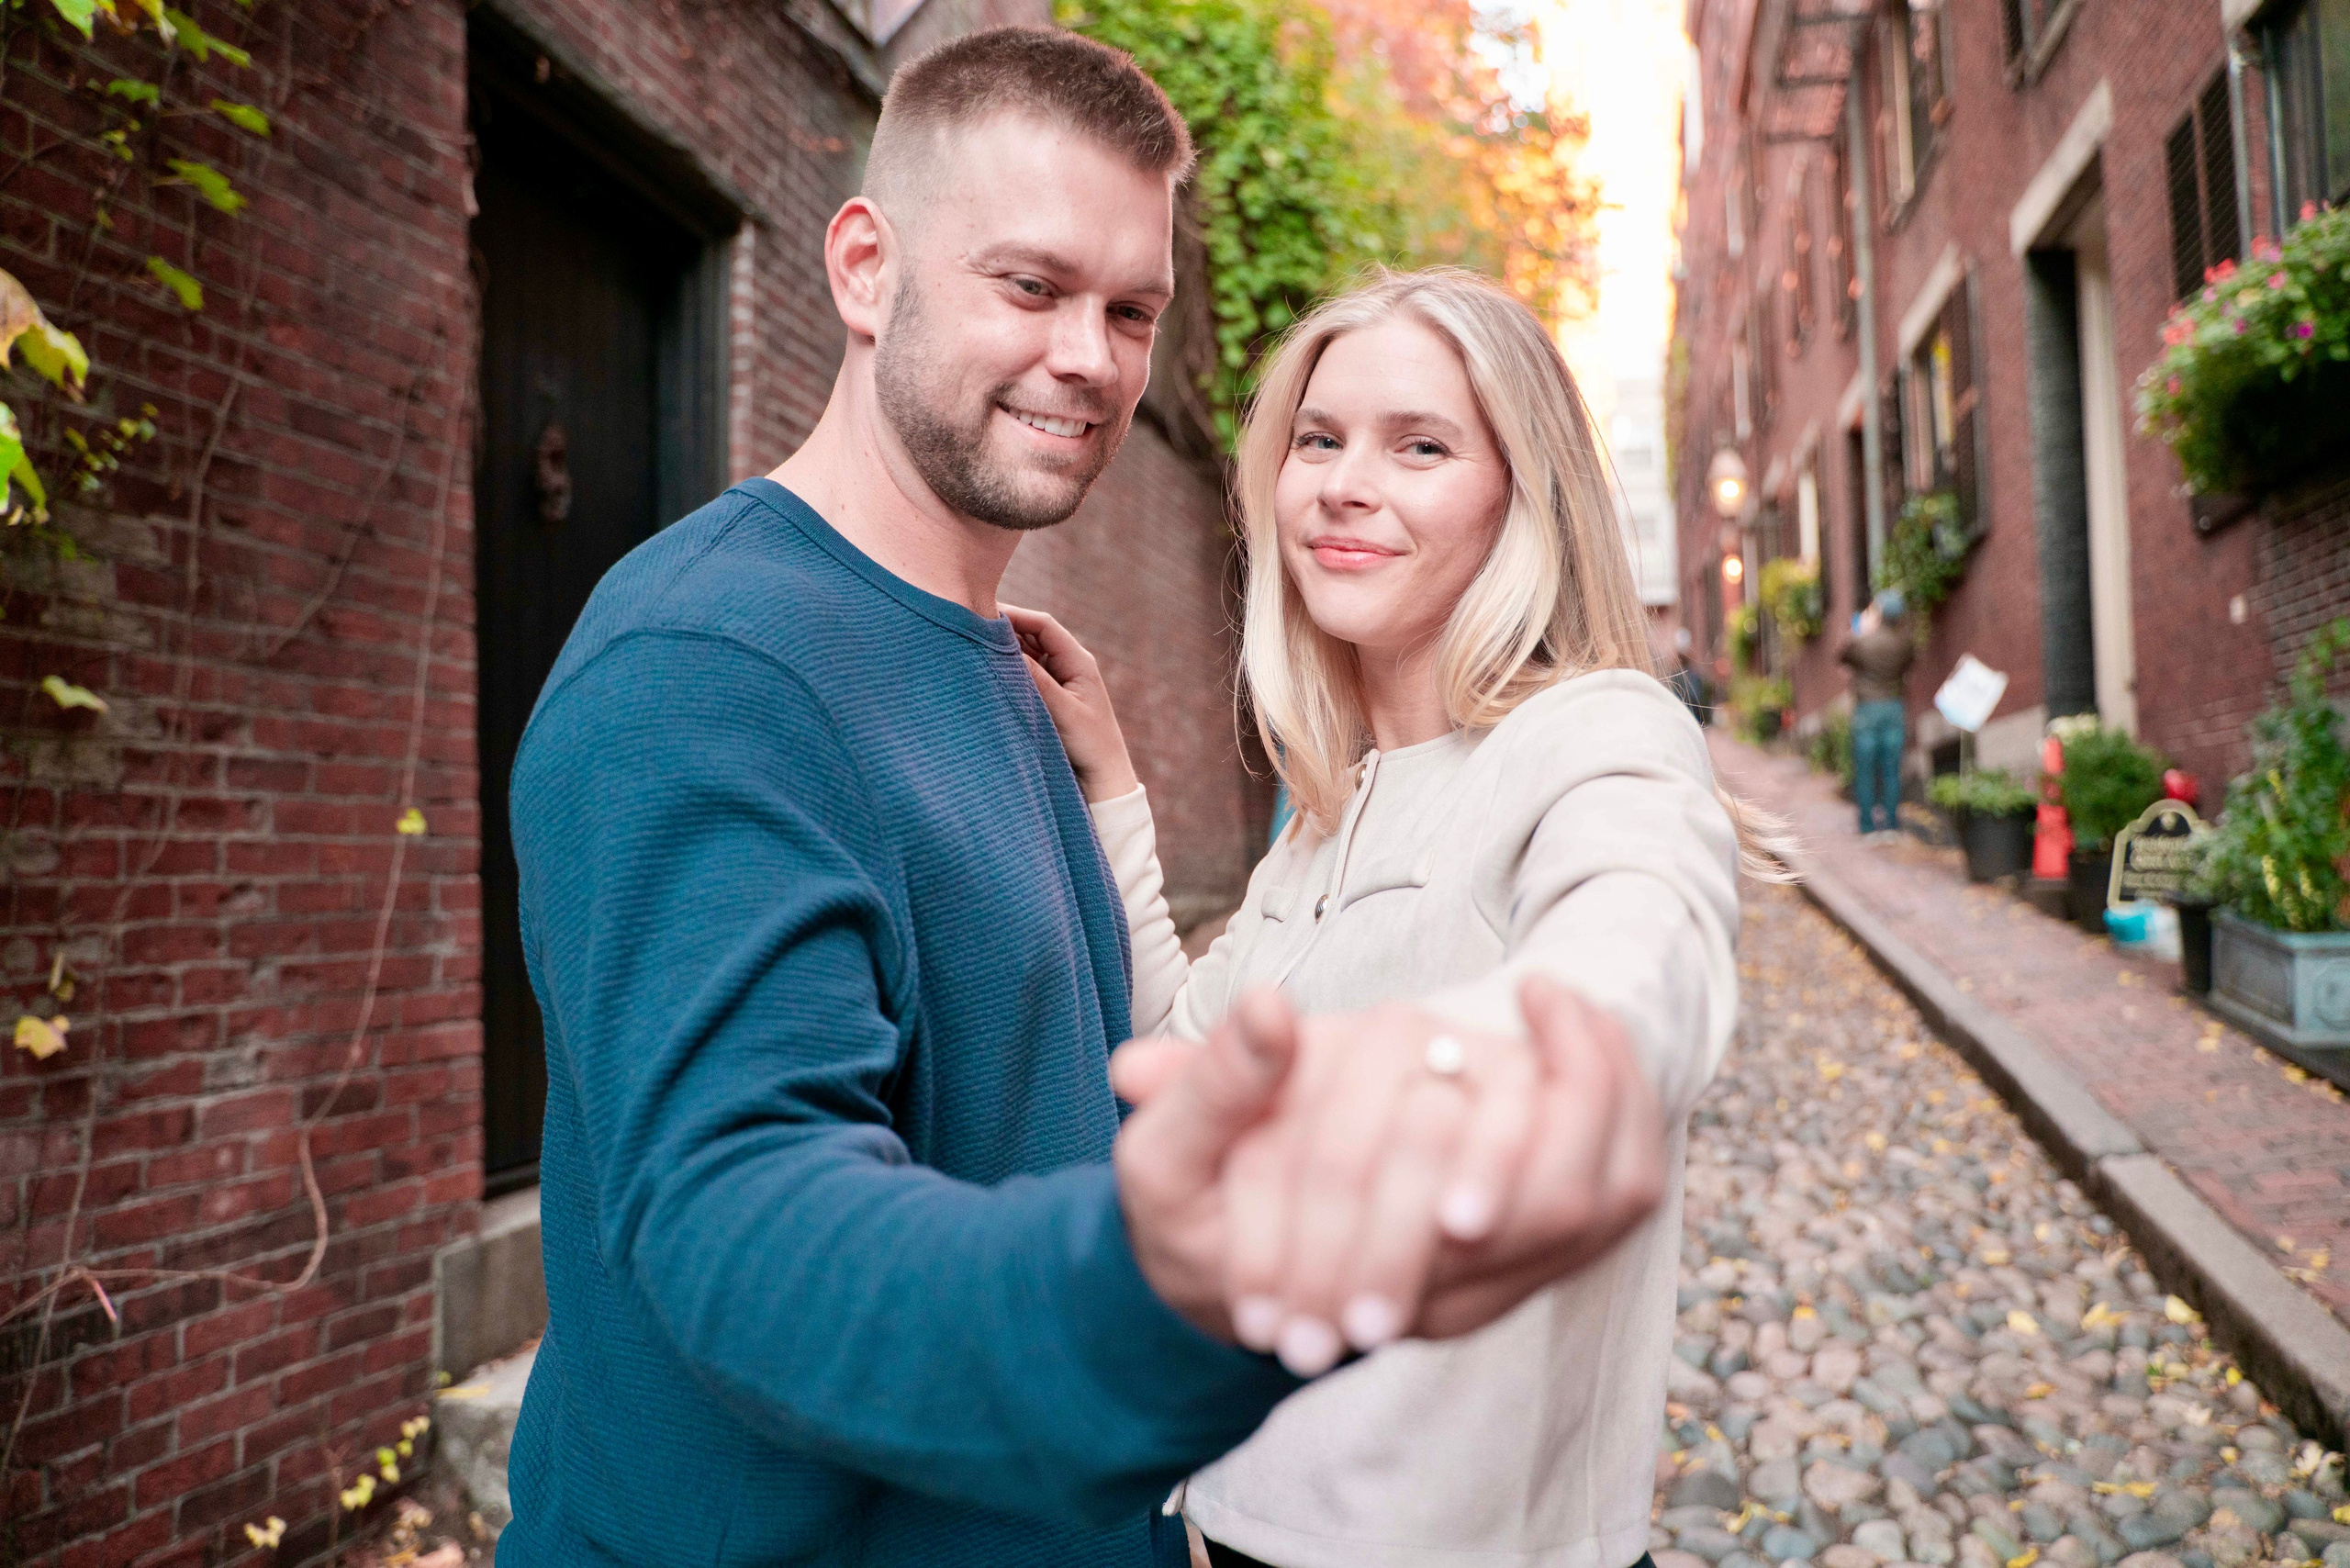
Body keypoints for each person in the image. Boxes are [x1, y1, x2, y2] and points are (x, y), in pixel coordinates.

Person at [499, 33, 1672, 1568]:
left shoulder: (1006, 670)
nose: (1093, 359)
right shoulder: (710, 667)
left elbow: (1064, 1094)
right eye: (1031, 287)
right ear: (867, 269)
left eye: (1133, 311)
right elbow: (740, 1228)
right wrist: (1167, 1297)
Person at [1014, 268, 1762, 1568]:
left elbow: (1644, 950)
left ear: (1519, 494)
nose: (1346, 483)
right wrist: (1114, 784)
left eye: (1420, 445)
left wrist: (1515, 1076)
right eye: (1320, 439)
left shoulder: (1596, 735)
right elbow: (1177, 1044)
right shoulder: (1324, 814)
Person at [1841, 588, 1916, 839]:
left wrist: (1861, 629)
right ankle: (1892, 823)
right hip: (1893, 707)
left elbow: (1843, 656)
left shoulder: (1865, 642)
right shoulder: (1904, 643)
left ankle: (1867, 825)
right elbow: (1909, 663)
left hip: (1867, 710)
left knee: (1865, 769)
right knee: (1891, 769)